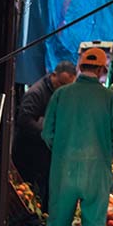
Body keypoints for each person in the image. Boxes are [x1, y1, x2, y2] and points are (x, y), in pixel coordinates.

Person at [41, 47, 113, 226]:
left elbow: (46, 133)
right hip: (96, 172)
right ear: (101, 70)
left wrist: (62, 149)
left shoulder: (61, 94)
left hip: (63, 171)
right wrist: (105, 152)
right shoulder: (109, 97)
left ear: (80, 67)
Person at [12, 60, 76, 209]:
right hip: (29, 153)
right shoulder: (36, 93)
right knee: (31, 194)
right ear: (54, 75)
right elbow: (24, 120)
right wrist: (48, 131)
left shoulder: (59, 92)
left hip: (46, 153)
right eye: (61, 83)